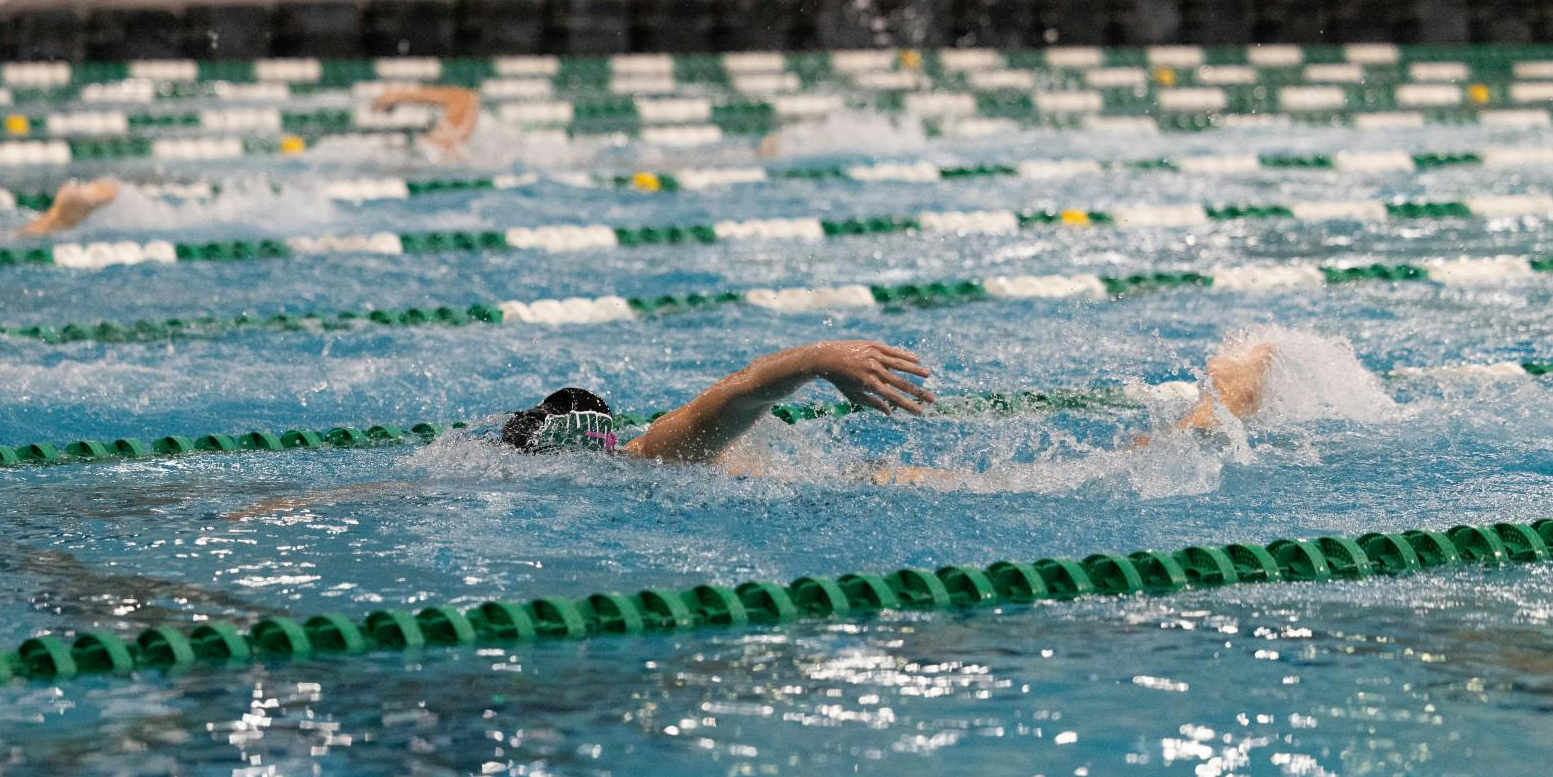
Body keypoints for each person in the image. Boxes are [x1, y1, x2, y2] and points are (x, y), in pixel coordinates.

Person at [504, 339, 1276, 475]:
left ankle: (1215, 417)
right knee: (1083, 476)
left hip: (858, 490)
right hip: (851, 487)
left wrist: (818, 360)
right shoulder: (638, 455)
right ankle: (1207, 420)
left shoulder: (646, 455)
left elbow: (734, 394)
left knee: (1084, 479)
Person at [371, 86, 482, 157]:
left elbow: (430, 96)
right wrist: (398, 96)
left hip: (440, 153)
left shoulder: (464, 99)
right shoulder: (467, 102)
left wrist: (397, 95)